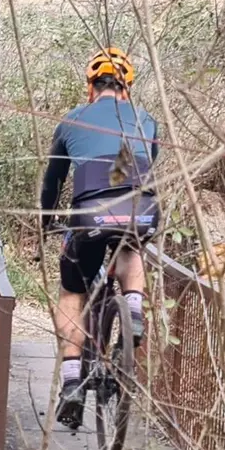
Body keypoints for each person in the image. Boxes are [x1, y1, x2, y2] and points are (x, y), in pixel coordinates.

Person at [39, 47, 161, 430]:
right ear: (126, 91)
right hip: (140, 207)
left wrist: (47, 219)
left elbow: (53, 180)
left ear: (91, 88)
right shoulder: (145, 120)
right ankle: (135, 311)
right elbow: (143, 162)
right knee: (131, 244)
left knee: (72, 292)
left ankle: (73, 382)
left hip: (90, 213)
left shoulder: (72, 120)